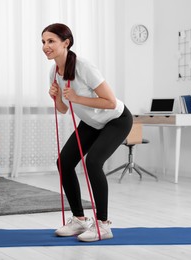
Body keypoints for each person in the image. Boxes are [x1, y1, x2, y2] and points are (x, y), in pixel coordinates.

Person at [42, 23, 133, 242]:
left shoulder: (84, 66)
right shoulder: (54, 71)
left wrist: (76, 98)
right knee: (63, 162)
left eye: (51, 41)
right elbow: (64, 110)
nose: (46, 46)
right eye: (43, 42)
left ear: (66, 43)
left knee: (93, 162)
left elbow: (110, 102)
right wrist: (55, 97)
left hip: (116, 120)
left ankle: (103, 225)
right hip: (91, 123)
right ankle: (80, 220)